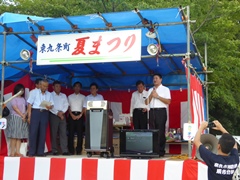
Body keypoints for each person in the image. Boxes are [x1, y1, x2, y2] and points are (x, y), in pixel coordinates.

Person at [145, 73, 171, 156]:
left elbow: (168, 102)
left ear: (161, 79)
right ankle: (153, 150)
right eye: (153, 78)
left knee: (160, 131)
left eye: (156, 78)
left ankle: (160, 151)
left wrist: (158, 96)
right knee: (152, 131)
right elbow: (146, 102)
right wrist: (151, 96)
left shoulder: (165, 89)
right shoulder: (150, 90)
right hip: (152, 111)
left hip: (161, 111)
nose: (154, 80)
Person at [27, 79, 54, 157]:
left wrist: (50, 106)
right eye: (44, 86)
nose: (45, 88)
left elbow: (52, 104)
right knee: (33, 132)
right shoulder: (34, 92)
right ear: (40, 85)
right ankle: (32, 152)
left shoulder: (49, 94)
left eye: (46, 86)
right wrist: (29, 116)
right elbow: (29, 104)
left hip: (45, 113)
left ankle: (40, 152)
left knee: (43, 132)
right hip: (35, 112)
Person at [6, 84, 28, 157]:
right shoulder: (14, 98)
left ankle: (17, 152)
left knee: (19, 136)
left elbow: (26, 108)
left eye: (23, 90)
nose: (22, 91)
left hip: (22, 118)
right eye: (20, 90)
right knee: (14, 136)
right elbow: (15, 108)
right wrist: (22, 115)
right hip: (16, 117)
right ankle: (12, 152)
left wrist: (25, 115)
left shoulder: (23, 99)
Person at [50, 81, 70, 155]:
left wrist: (62, 113)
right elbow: (50, 106)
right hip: (54, 114)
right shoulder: (50, 95)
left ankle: (64, 150)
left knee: (63, 133)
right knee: (54, 133)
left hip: (62, 114)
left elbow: (66, 105)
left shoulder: (63, 95)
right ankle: (54, 150)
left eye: (59, 86)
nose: (58, 88)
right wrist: (57, 113)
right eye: (57, 86)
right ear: (53, 87)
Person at [68, 82, 85, 155]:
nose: (77, 88)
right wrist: (71, 115)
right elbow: (68, 107)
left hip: (80, 115)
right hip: (71, 115)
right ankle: (71, 150)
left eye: (78, 86)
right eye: (76, 86)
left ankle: (79, 150)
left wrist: (80, 115)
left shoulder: (83, 97)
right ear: (73, 88)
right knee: (70, 133)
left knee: (80, 134)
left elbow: (84, 107)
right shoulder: (69, 96)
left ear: (80, 88)